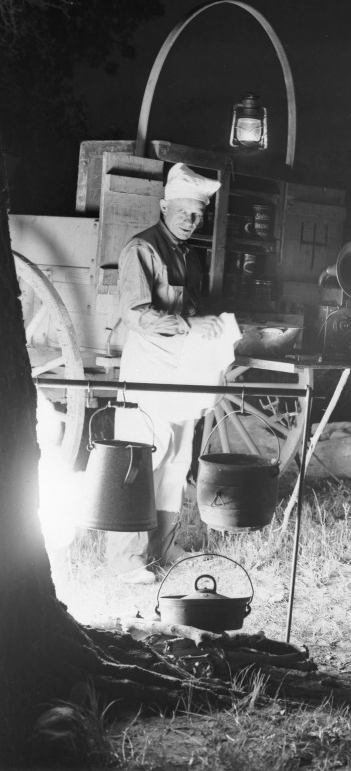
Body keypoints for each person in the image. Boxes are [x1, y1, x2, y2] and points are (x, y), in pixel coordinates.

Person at [107, 163, 239, 584]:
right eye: (184, 211)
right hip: (148, 370)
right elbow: (136, 314)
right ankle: (127, 559)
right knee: (141, 458)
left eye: (198, 214)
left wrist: (210, 322)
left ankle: (163, 548)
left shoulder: (189, 255)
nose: (191, 219)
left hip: (182, 370)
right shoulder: (141, 249)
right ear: (164, 206)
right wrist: (189, 325)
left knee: (177, 460)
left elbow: (191, 308)